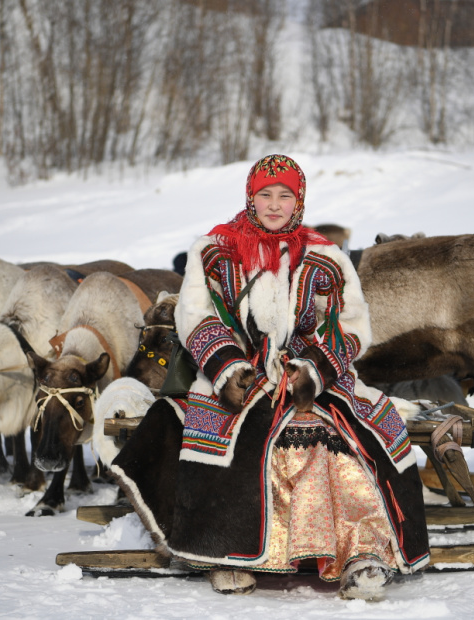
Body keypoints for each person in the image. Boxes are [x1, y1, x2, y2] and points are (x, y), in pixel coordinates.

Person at [109, 154, 429, 600]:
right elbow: (196, 315)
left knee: (336, 434)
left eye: (285, 195)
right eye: (265, 194)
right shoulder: (215, 252)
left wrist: (313, 370)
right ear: (250, 197)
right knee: (227, 438)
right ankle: (224, 553)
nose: (275, 204)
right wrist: (227, 368)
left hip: (307, 374)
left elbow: (351, 324)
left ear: (298, 201)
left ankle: (361, 554)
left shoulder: (326, 258)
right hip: (234, 372)